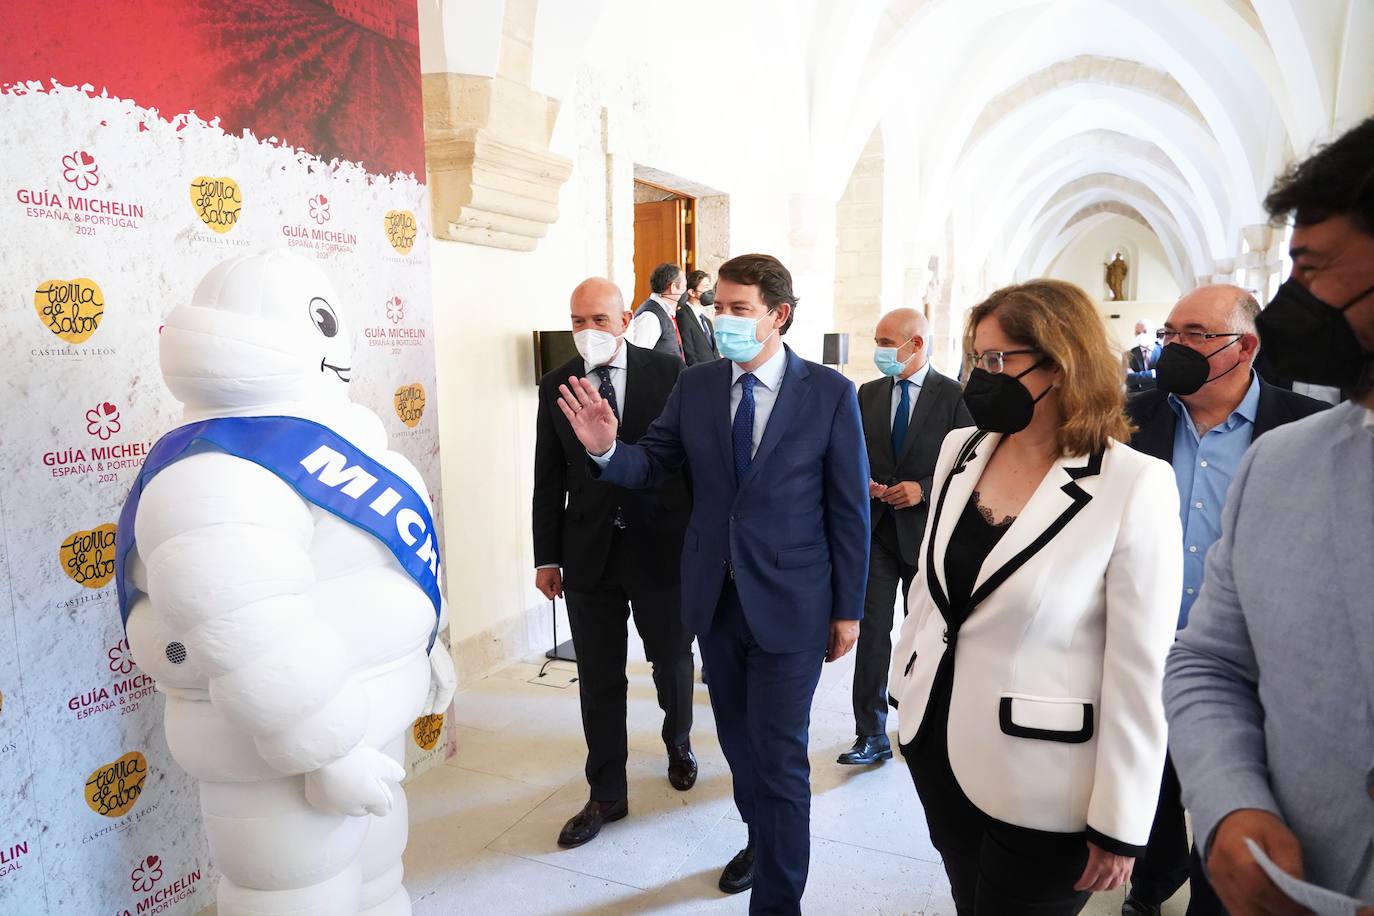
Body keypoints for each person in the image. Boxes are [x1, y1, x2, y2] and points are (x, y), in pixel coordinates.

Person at [557, 253, 869, 913]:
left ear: (778, 316)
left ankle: (778, 901)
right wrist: (608, 450)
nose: (720, 319)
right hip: (716, 598)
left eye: (738, 309)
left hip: (792, 602)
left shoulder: (829, 394)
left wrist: (850, 609)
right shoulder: (696, 386)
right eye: (716, 306)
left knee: (781, 757)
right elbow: (655, 463)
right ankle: (762, 838)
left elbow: (849, 512)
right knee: (736, 740)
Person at [888, 279, 1183, 916]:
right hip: (937, 745)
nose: (979, 376)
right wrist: (902, 685)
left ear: (1059, 362)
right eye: (975, 358)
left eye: (998, 361)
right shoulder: (959, 451)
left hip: (1046, 778)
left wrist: (1120, 821)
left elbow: (1139, 666)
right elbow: (931, 589)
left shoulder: (1134, 483)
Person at [1164, 117, 1374, 916]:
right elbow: (1210, 661)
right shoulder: (1285, 466)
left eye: (1313, 269)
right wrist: (1230, 803)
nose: (1296, 305)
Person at [1122, 285, 1326, 916]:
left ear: (1246, 347)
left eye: (1196, 335)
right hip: (1144, 648)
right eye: (1170, 333)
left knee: (1230, 799)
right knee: (1148, 787)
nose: (1175, 347)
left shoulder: (1303, 430)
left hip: (1249, 662)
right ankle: (1148, 885)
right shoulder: (1131, 419)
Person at [532, 277, 697, 849]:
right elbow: (547, 477)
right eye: (578, 321)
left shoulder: (670, 375)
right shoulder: (557, 384)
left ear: (625, 320)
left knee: (671, 659)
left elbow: (689, 467)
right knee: (598, 679)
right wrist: (547, 556)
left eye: (599, 320)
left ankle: (679, 741)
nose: (587, 331)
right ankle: (607, 792)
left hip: (660, 546)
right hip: (589, 554)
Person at [838, 307, 972, 767]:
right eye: (876, 341)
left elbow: (972, 466)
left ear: (916, 344)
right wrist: (866, 483)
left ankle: (919, 723)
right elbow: (850, 453)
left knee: (925, 633)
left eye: (886, 341)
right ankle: (870, 732)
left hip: (926, 534)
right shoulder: (867, 393)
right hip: (876, 532)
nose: (879, 351)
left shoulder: (953, 396)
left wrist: (925, 490)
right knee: (872, 631)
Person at [628, 262, 688, 361]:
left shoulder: (666, 312)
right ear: (673, 287)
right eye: (684, 286)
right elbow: (639, 358)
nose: (686, 291)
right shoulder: (650, 316)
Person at [678, 269, 718, 365]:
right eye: (705, 287)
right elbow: (688, 353)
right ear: (692, 292)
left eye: (709, 287)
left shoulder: (707, 321)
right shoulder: (683, 316)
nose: (709, 291)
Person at [1125, 319, 1162, 392]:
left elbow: (1164, 375)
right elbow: (1127, 378)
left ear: (1153, 333)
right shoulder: (1129, 354)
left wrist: (1137, 377)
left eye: (1145, 332)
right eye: (1138, 333)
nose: (1141, 335)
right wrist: (1152, 373)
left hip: (1161, 395)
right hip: (1136, 395)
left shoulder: (1164, 351)